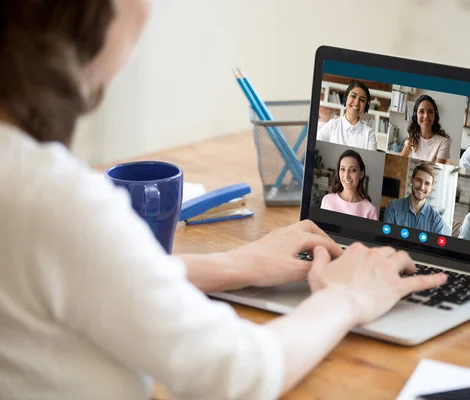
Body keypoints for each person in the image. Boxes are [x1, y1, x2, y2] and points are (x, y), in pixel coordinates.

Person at [0, 1, 447, 399]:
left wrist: (230, 265)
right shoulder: (51, 200)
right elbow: (238, 374)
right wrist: (346, 298)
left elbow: (75, 274)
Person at [383, 163, 445, 234]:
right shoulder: (393, 207)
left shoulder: (437, 222)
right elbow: (386, 239)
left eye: (427, 183)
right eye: (419, 180)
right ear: (412, 180)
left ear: (431, 188)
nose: (422, 187)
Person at [317, 81, 377, 151]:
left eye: (362, 100)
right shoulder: (332, 125)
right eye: (353, 96)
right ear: (346, 99)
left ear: (366, 106)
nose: (357, 102)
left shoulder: (369, 133)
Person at [320, 149, 378, 220]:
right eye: (342, 169)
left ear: (361, 174)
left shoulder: (370, 210)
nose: (346, 176)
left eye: (353, 170)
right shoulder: (327, 200)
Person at [399, 94, 451, 163]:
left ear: (435, 116)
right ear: (415, 115)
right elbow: (399, 161)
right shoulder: (412, 137)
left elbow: (436, 172)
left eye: (430, 111)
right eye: (421, 111)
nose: (426, 116)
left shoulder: (444, 142)